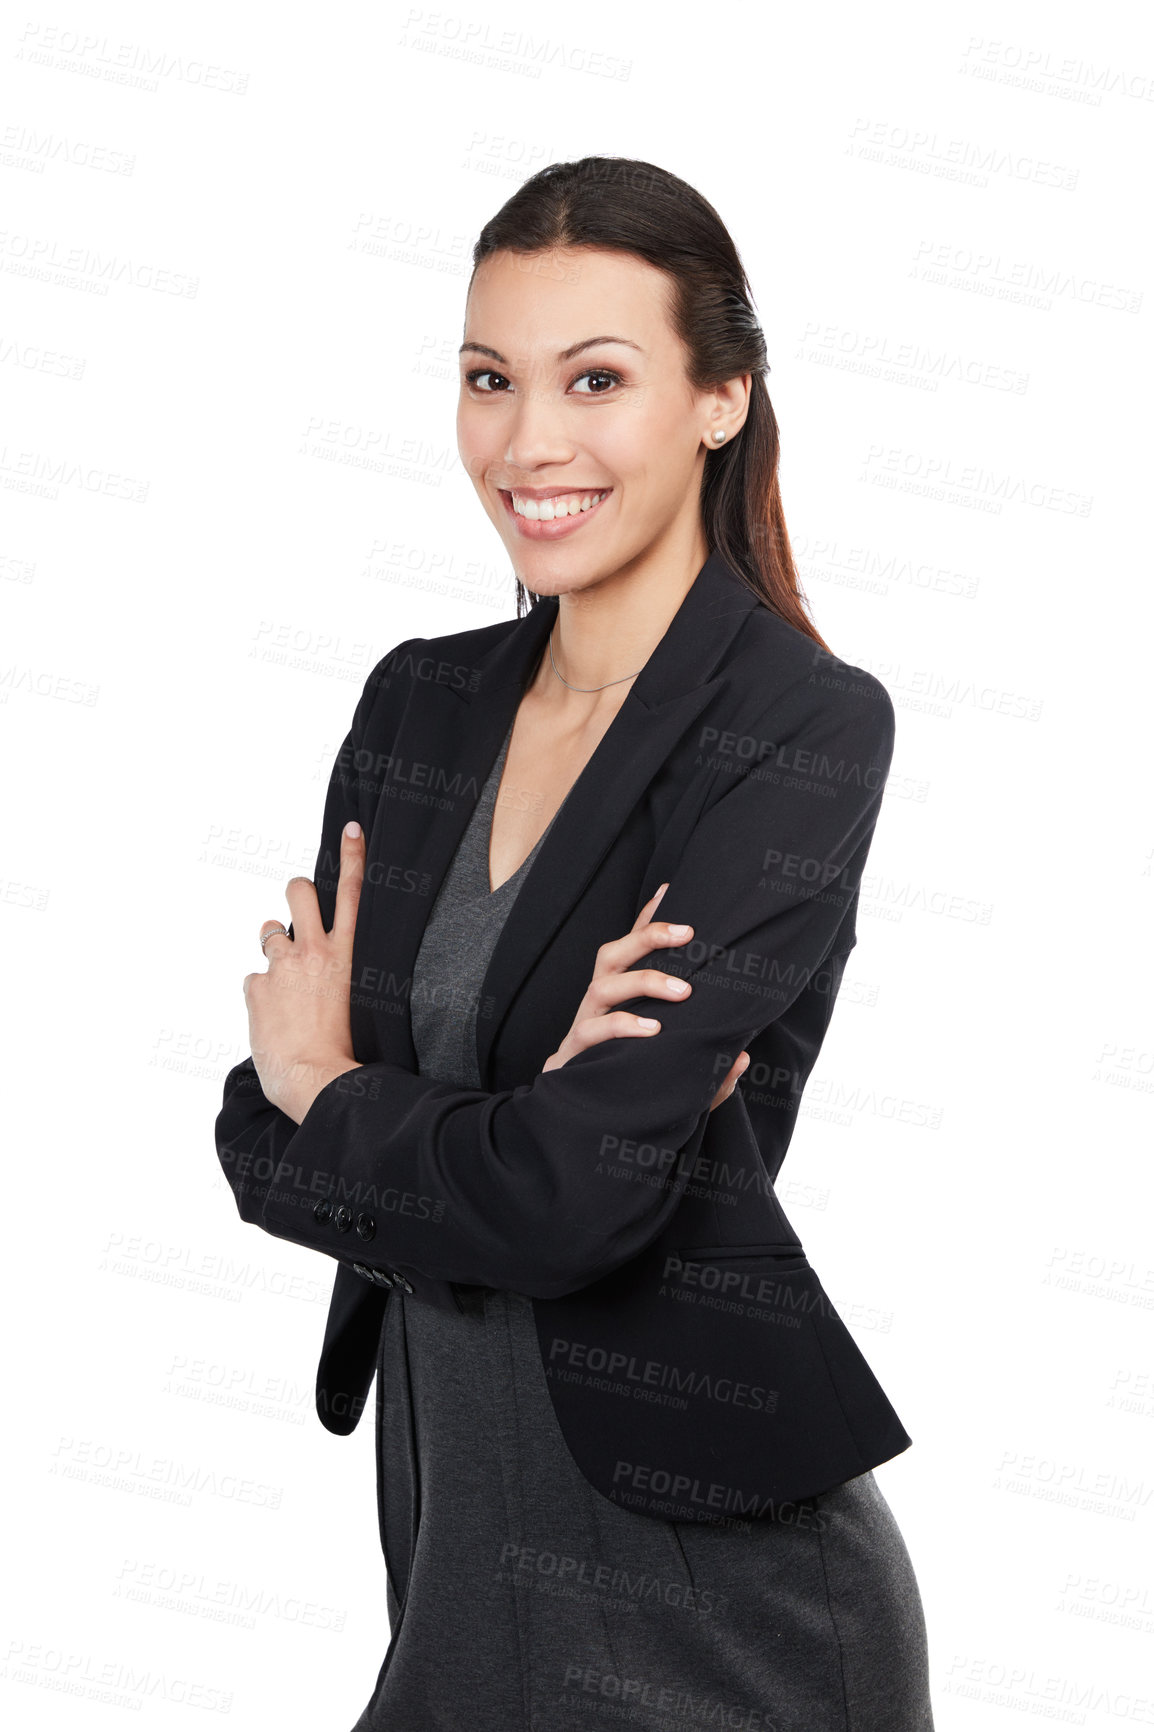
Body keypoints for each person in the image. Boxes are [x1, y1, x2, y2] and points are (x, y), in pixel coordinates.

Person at [216, 155, 935, 1730]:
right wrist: (498, 1112)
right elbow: (249, 1136)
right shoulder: (423, 700)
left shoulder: (793, 726)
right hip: (459, 1559)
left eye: (594, 379)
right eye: (489, 378)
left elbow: (570, 1203)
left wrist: (339, 1085)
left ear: (719, 398)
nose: (527, 441)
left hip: (719, 1600)